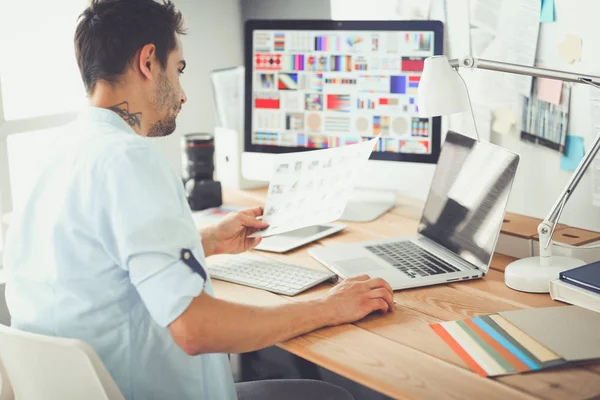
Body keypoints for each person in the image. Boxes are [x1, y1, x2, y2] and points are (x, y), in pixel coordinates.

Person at [3, 1, 395, 399]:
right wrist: (329, 307)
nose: (183, 93)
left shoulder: (53, 153)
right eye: (179, 69)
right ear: (148, 61)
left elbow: (96, 265)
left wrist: (206, 241)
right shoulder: (129, 160)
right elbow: (197, 330)